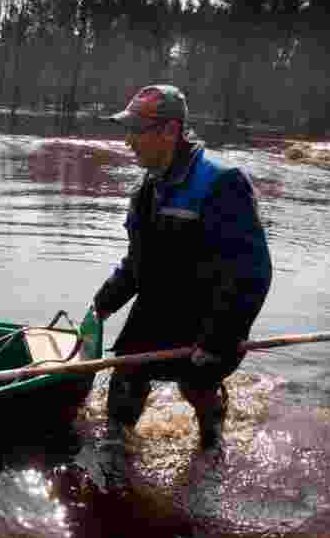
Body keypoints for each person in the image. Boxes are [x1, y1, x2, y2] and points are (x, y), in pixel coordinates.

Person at [92, 84, 272, 450]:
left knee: (197, 386)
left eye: (136, 132)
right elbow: (137, 263)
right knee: (125, 375)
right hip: (159, 306)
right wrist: (102, 305)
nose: (128, 142)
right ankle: (114, 457)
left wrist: (219, 339)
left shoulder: (222, 183)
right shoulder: (146, 190)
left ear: (170, 131)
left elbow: (251, 273)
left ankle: (213, 436)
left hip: (213, 315)